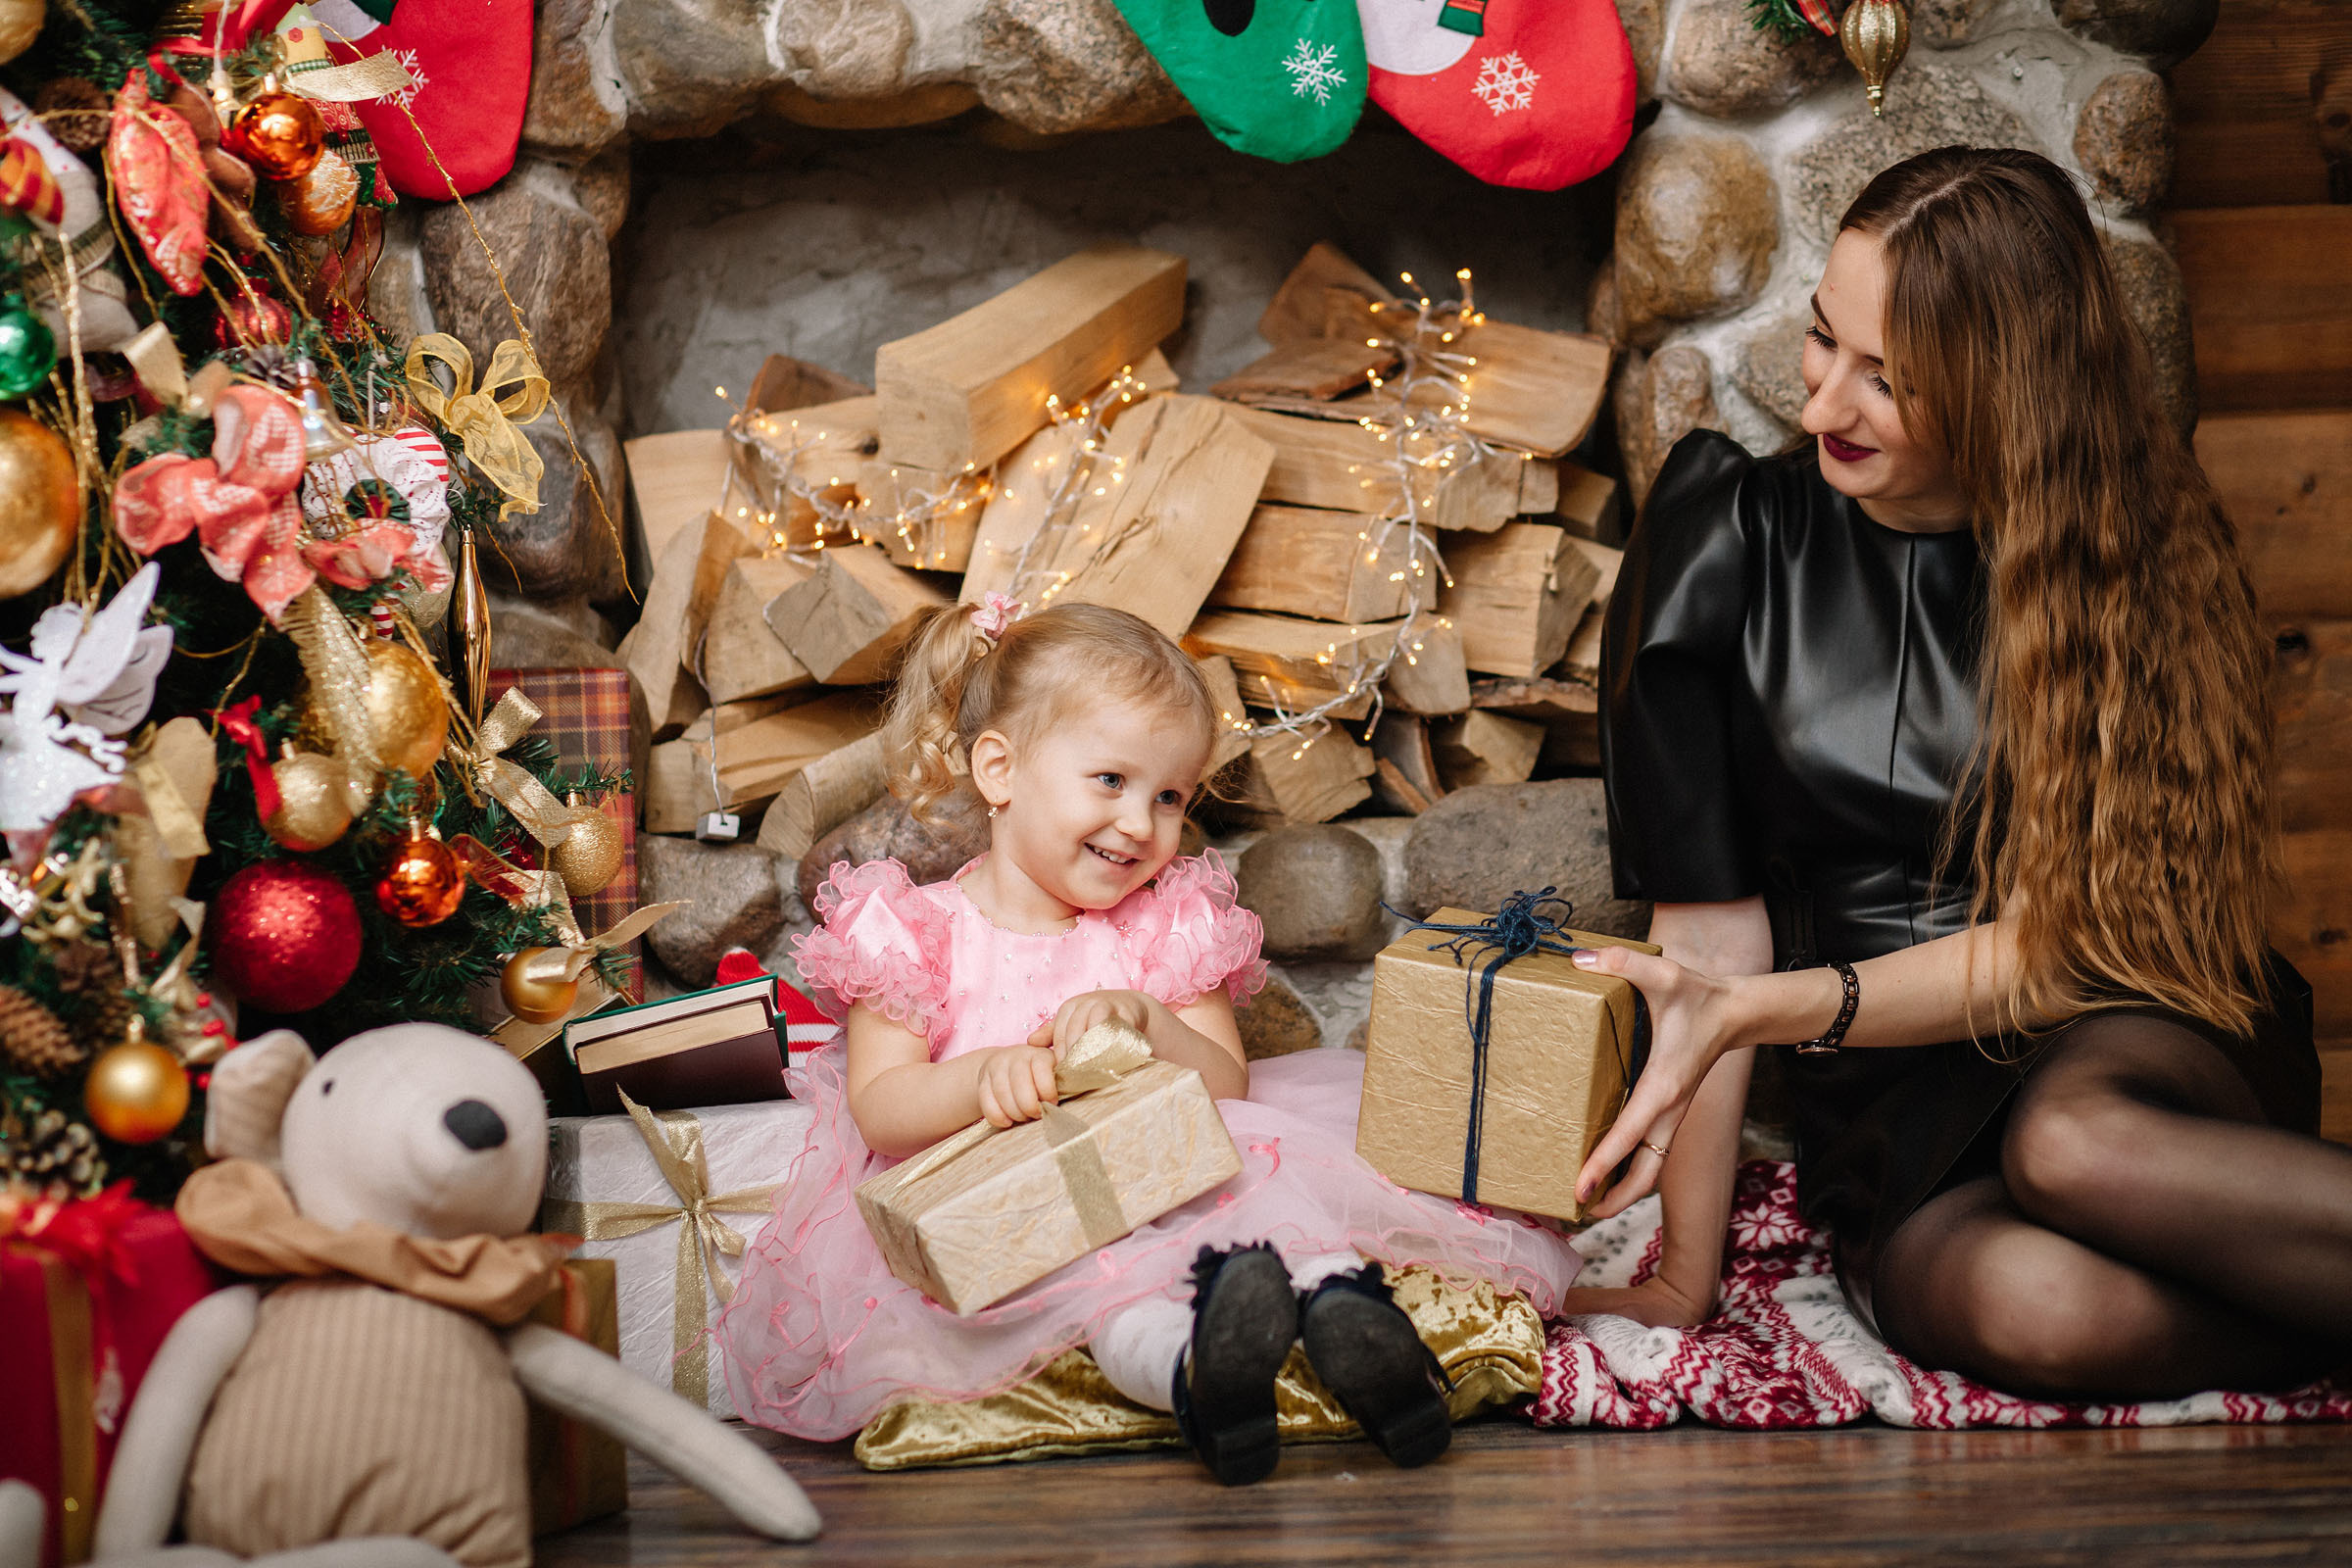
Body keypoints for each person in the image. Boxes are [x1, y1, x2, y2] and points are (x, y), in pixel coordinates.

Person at [1565, 145, 2352, 1398]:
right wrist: (1684, 1273)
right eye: (1827, 341)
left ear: (2004, 395)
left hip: (2120, 1026)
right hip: (1891, 1105)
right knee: (2026, 1303)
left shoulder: (2128, 551)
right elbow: (1710, 947)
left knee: (2074, 1145)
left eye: (1890, 381)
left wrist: (1780, 1009)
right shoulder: (1722, 530)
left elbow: (2060, 949)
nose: (1821, 407)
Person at [715, 597, 1584, 1481]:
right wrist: (983, 1077)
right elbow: (883, 1110)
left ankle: (1347, 1318)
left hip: (1174, 1168)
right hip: (1014, 1197)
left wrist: (1151, 1020)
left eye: (1169, 795)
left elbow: (1229, 1087)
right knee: (1104, 1292)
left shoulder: (1160, 924)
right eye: (1110, 782)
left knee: (1262, 1181)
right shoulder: (915, 932)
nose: (1142, 823)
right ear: (999, 768)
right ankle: (1202, 1376)